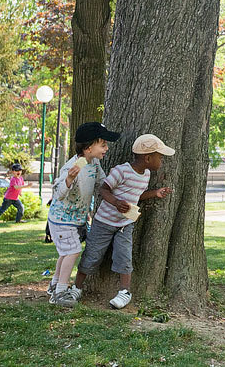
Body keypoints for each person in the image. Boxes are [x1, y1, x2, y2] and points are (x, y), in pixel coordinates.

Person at [72, 133, 174, 309]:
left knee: (124, 257)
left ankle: (124, 292)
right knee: (92, 255)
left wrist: (154, 193)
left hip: (124, 225)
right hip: (103, 222)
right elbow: (103, 189)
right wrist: (116, 203)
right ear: (148, 158)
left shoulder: (146, 175)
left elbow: (137, 195)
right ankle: (76, 287)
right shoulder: (121, 171)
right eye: (160, 157)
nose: (162, 161)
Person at [47, 121, 118, 307]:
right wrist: (69, 179)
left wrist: (118, 177)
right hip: (62, 220)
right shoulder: (72, 167)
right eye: (103, 145)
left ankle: (54, 284)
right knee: (73, 250)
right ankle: (61, 292)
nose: (106, 148)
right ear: (88, 148)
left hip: (74, 220)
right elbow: (59, 193)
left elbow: (102, 182)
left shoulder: (93, 163)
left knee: (65, 252)